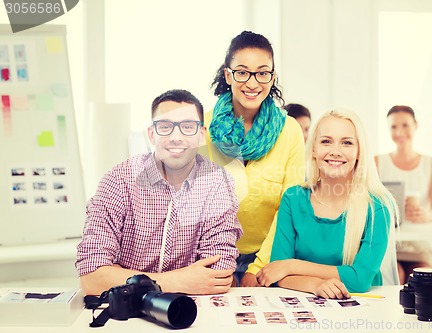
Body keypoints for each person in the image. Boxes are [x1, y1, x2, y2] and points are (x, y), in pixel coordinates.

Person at [76, 89, 242, 296]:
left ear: (201, 135)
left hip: (191, 312)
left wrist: (121, 277)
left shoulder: (219, 183)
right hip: (127, 312)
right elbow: (92, 278)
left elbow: (217, 276)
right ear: (151, 134)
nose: (176, 137)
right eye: (165, 127)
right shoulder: (118, 180)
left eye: (188, 127)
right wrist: (176, 281)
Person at [255, 108, 398, 298]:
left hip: (361, 310)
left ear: (358, 152)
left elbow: (360, 279)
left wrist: (291, 266)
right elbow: (276, 273)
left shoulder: (377, 206)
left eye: (347, 143)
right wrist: (316, 285)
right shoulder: (293, 198)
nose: (335, 151)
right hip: (302, 311)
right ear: (313, 150)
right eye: (326, 142)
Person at [201, 31, 305, 286]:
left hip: (271, 257)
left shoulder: (289, 130)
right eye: (242, 72)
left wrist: (257, 268)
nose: (252, 83)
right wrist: (220, 263)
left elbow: (289, 208)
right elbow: (196, 205)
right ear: (228, 75)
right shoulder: (203, 126)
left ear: (272, 76)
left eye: (262, 72)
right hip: (210, 255)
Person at [375, 105, 432, 284]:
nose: (399, 132)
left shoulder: (431, 163)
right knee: (396, 277)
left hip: (419, 245)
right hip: (389, 245)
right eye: (393, 127)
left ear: (415, 125)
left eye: (405, 125)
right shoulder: (377, 162)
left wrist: (426, 214)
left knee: (421, 281)